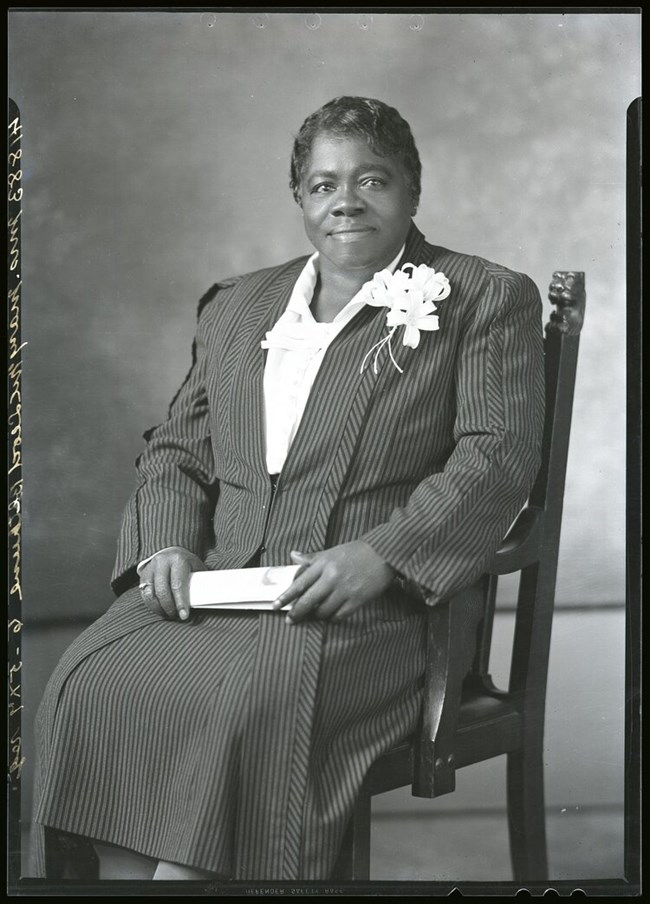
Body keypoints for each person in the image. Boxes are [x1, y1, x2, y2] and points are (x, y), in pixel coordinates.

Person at [31, 96, 545, 882]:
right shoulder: (239, 306)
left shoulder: (480, 296)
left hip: (380, 608)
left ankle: (196, 876)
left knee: (248, 704)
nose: (346, 200)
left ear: (413, 188)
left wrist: (381, 555)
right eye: (322, 184)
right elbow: (178, 446)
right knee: (88, 680)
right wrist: (166, 541)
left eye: (372, 180)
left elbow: (496, 458)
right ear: (300, 198)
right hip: (224, 585)